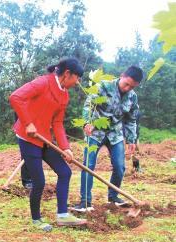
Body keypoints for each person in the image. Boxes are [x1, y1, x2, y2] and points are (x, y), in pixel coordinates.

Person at [10, 58, 87, 231]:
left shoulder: (64, 94)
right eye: (77, 77)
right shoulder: (42, 83)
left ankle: (62, 215)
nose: (78, 82)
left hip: (44, 138)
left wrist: (65, 147)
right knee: (39, 181)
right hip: (28, 138)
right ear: (67, 74)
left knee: (65, 172)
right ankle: (36, 219)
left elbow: (58, 123)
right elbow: (15, 97)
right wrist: (28, 122)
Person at [73, 66, 143, 212]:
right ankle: (85, 202)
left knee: (120, 167)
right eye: (126, 84)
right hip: (95, 132)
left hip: (115, 134)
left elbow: (131, 119)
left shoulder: (132, 96)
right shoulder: (103, 85)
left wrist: (131, 139)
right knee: (88, 165)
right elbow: (88, 105)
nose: (127, 88)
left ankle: (113, 197)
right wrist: (87, 122)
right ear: (122, 75)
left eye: (132, 87)